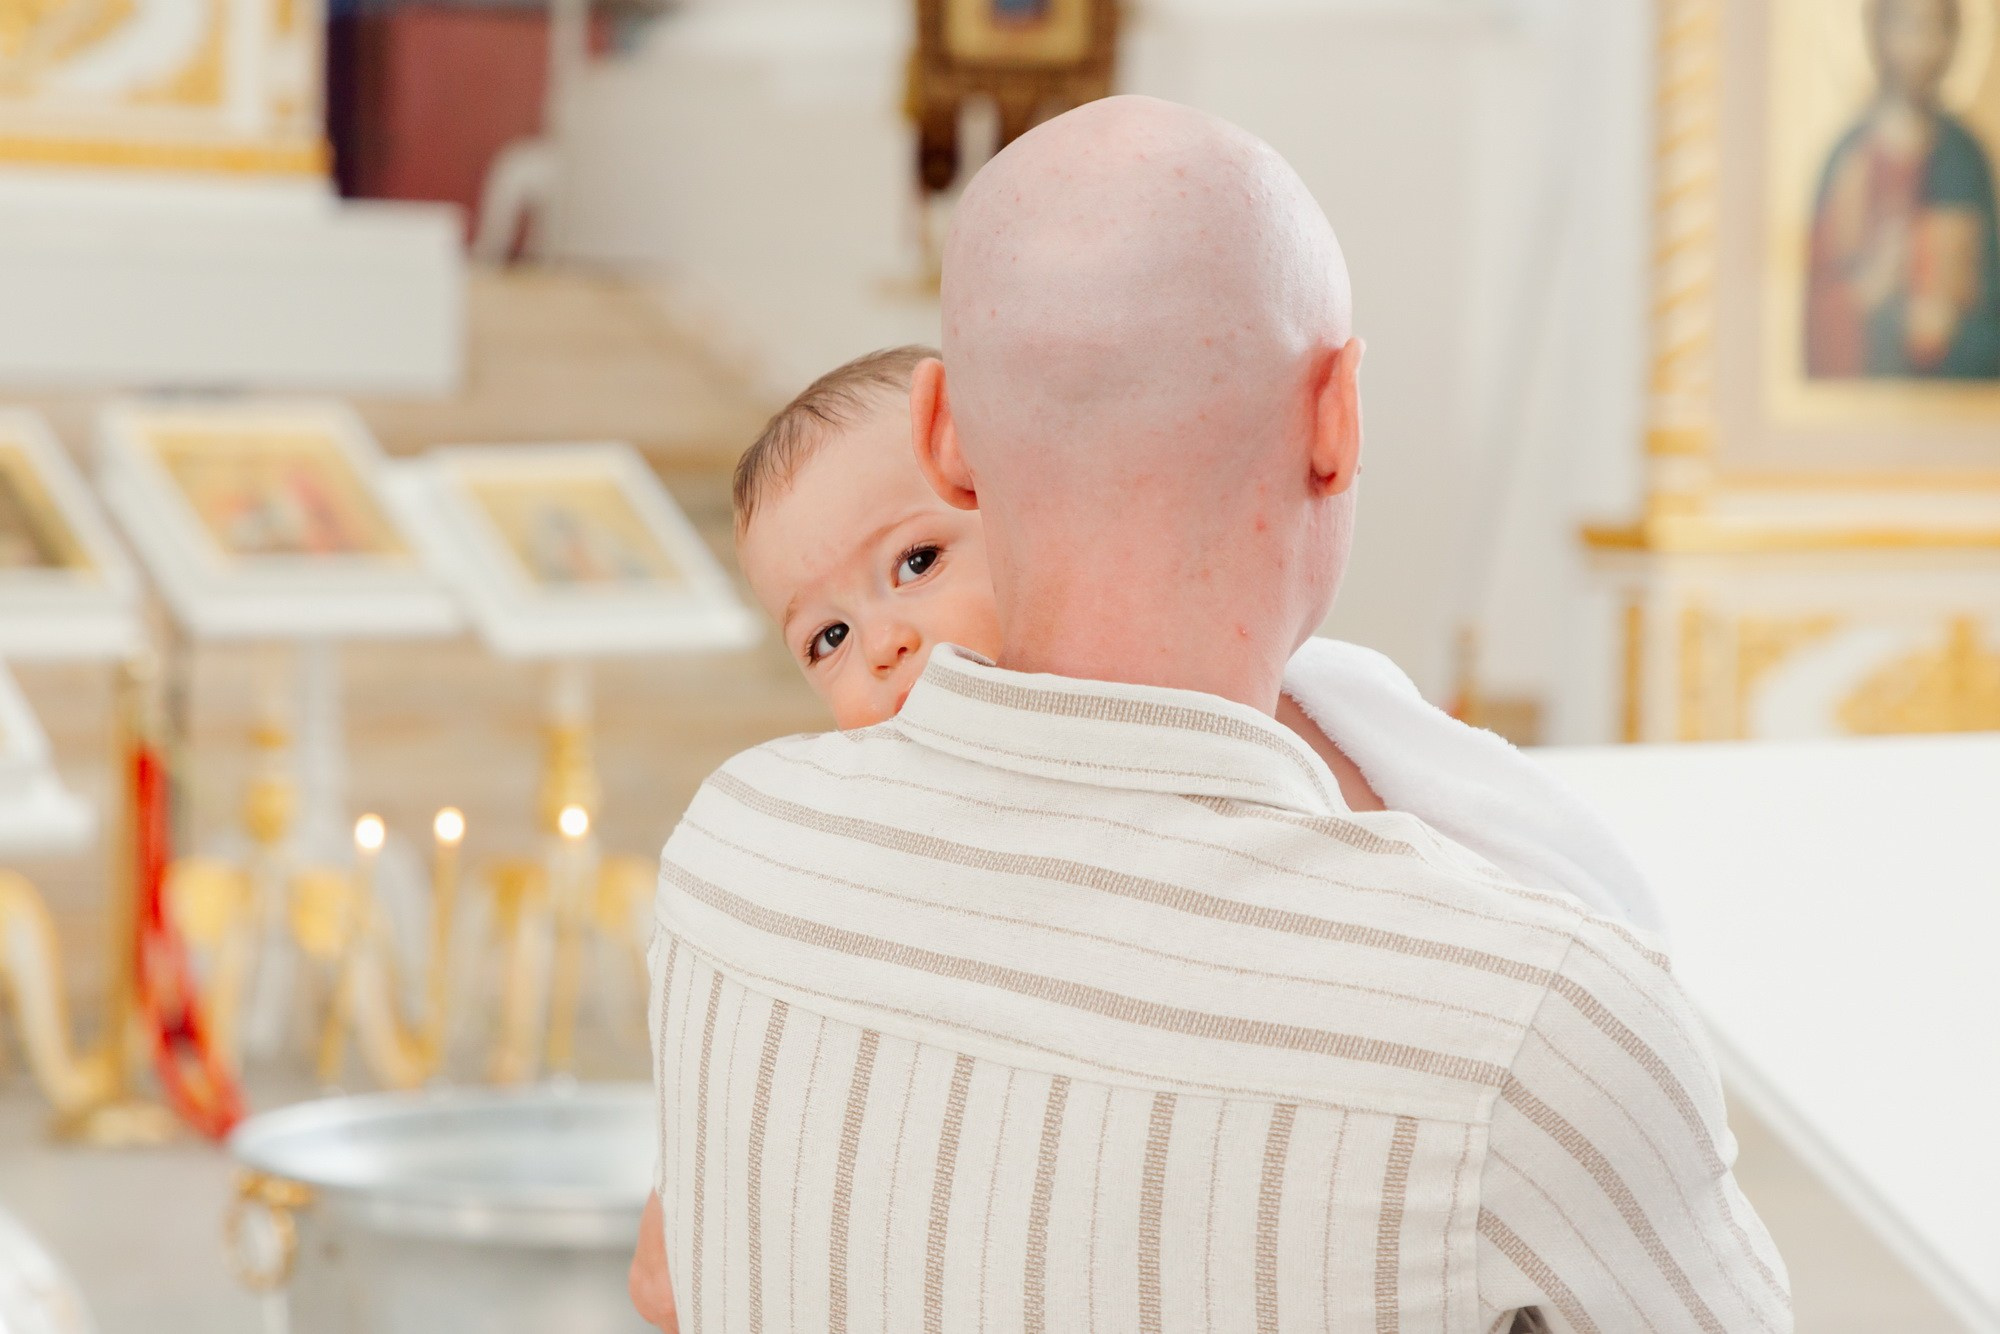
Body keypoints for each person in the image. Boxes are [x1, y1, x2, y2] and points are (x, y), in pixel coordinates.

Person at [638, 95, 1788, 1331]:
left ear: (942, 434)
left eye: (915, 565)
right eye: (827, 635)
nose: (887, 643)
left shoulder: (725, 857)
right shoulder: (1533, 1030)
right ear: (1335, 415)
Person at [1806, 0, 2000, 378]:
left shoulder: (1967, 160)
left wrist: (1954, 329)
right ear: (1878, 33)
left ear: (1953, 39)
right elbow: (1812, 320)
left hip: (1955, 408)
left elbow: (1992, 309)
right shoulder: (1848, 160)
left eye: (1936, 28)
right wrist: (1866, 294)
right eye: (1906, 26)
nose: (1921, 46)